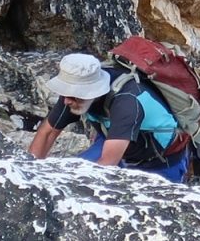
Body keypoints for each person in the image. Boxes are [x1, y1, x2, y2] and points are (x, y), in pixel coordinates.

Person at [28, 53, 189, 183]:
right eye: (65, 93)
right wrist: (30, 173)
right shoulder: (73, 97)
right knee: (74, 176)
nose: (66, 101)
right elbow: (47, 133)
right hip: (113, 140)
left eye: (74, 95)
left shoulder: (128, 101)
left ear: (93, 91)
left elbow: (106, 165)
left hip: (161, 161)